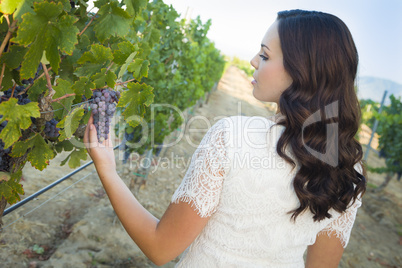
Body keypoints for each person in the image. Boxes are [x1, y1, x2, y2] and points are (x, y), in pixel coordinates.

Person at [84, 9, 366, 268]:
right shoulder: (348, 169)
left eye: (265, 56)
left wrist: (108, 170)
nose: (253, 61)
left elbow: (160, 248)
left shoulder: (231, 136)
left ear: (301, 72)